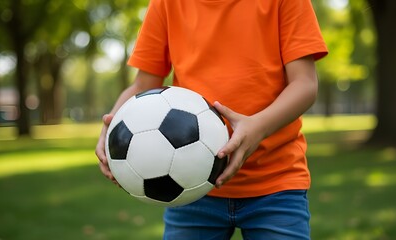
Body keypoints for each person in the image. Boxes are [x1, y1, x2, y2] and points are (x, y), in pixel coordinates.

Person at [96, 0, 328, 239]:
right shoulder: (167, 3)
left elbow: (304, 84)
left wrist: (258, 128)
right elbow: (143, 85)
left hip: (276, 181)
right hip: (189, 185)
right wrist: (112, 129)